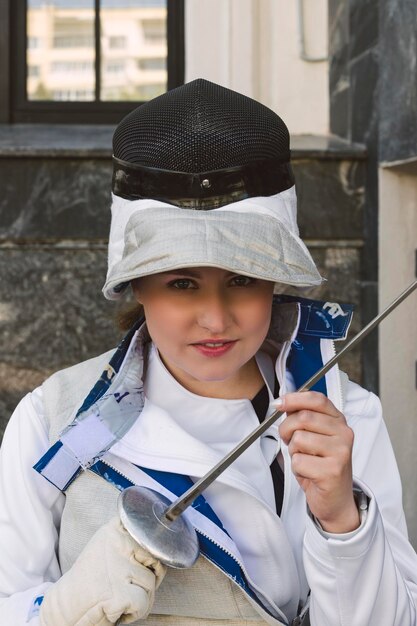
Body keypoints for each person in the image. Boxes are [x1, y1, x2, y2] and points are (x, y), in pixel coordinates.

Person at [1, 79, 417, 626]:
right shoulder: (50, 422)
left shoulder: (344, 417)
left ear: (273, 280)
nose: (216, 318)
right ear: (138, 286)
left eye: (242, 277)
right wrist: (62, 608)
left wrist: (343, 521)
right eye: (181, 283)